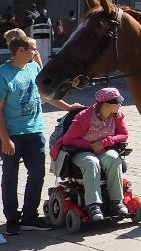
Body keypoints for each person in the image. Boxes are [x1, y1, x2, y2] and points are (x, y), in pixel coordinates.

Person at [1, 30, 83, 235]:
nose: (36, 51)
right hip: (13, 135)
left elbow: (45, 95)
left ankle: (29, 217)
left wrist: (67, 107)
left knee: (36, 174)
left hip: (35, 131)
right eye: (33, 48)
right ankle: (12, 219)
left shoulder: (33, 68)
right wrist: (4, 139)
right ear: (21, 50)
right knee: (10, 177)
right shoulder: (3, 74)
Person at [50, 87, 129, 222]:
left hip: (104, 148)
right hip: (81, 150)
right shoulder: (84, 117)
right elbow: (69, 139)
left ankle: (117, 202)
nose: (120, 104)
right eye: (117, 102)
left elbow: (124, 135)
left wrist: (105, 142)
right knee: (92, 162)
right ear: (106, 105)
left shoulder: (117, 115)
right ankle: (93, 206)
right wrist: (90, 145)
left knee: (114, 159)